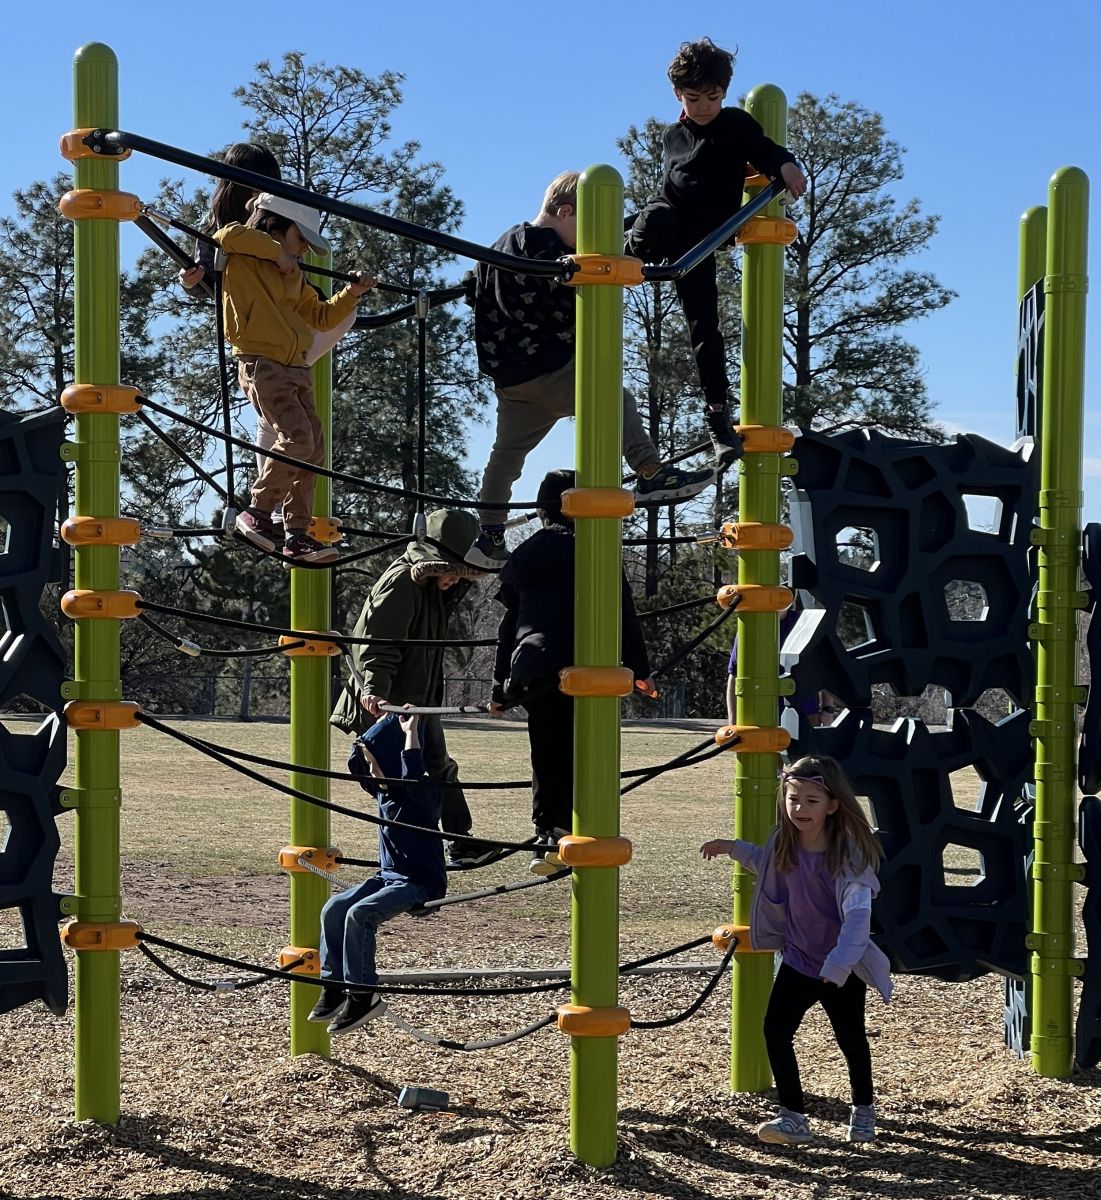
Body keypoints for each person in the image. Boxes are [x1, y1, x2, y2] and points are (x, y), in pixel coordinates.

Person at [464, 170, 715, 570]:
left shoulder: (504, 243)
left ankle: (490, 533)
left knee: (507, 454)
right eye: (588, 228)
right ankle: (650, 470)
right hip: (551, 367)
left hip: (510, 378)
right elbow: (578, 286)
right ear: (565, 213)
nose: (592, 241)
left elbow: (470, 285)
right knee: (611, 396)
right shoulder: (550, 253)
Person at [626, 38, 808, 465]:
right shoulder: (673, 134)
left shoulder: (734, 125)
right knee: (655, 219)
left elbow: (766, 151)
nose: (704, 105)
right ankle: (629, 256)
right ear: (677, 95)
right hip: (666, 221)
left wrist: (786, 165)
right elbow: (671, 186)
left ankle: (718, 419)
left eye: (712, 97)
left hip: (700, 242)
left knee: (705, 330)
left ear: (724, 94)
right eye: (693, 98)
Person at [700, 755, 891, 1145]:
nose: (800, 808)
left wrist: (838, 965)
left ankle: (863, 1109)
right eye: (793, 799)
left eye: (811, 801)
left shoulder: (848, 856)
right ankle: (793, 1117)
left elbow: (857, 920)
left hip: (841, 966)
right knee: (775, 1030)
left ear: (833, 804)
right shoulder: (784, 843)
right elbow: (765, 863)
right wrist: (732, 847)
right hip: (800, 960)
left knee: (850, 1038)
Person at [489, 469, 655, 874]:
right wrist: (639, 669)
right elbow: (623, 613)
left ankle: (548, 834)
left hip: (532, 665)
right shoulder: (595, 549)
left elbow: (509, 623)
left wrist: (499, 686)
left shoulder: (525, 555)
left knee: (547, 753)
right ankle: (573, 830)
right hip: (585, 663)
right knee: (585, 753)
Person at [178, 144, 357, 513]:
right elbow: (210, 271)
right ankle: (268, 506)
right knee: (285, 423)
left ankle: (292, 517)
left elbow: (299, 290)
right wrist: (191, 280)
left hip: (283, 334)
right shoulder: (226, 232)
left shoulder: (280, 222)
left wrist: (344, 294)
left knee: (299, 430)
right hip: (260, 336)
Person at [213, 192, 374, 564]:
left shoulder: (293, 275)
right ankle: (258, 509)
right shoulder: (246, 253)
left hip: (295, 367)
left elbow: (319, 317)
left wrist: (352, 293)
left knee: (313, 448)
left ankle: (296, 532)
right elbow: (226, 236)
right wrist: (275, 252)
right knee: (296, 439)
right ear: (275, 225)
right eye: (299, 240)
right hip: (262, 364)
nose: (301, 251)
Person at [331, 508, 491, 866]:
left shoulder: (435, 588)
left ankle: (457, 840)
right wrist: (375, 691)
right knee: (400, 785)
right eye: (452, 572)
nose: (455, 581)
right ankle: (411, 862)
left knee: (437, 768)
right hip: (393, 704)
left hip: (417, 700)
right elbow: (377, 642)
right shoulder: (404, 582)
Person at [310, 710, 445, 1034]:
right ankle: (335, 986)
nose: (371, 769)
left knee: (360, 914)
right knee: (334, 907)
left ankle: (363, 994)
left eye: (376, 761)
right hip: (388, 876)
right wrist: (378, 722)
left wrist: (410, 731)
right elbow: (359, 762)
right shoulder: (383, 791)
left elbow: (412, 766)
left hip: (419, 882)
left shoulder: (418, 793)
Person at [725, 604, 838, 729]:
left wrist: (828, 709)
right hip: (762, 718)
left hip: (806, 715)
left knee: (808, 749)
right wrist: (733, 720)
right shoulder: (750, 627)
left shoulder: (805, 625)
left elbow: (824, 670)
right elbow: (734, 676)